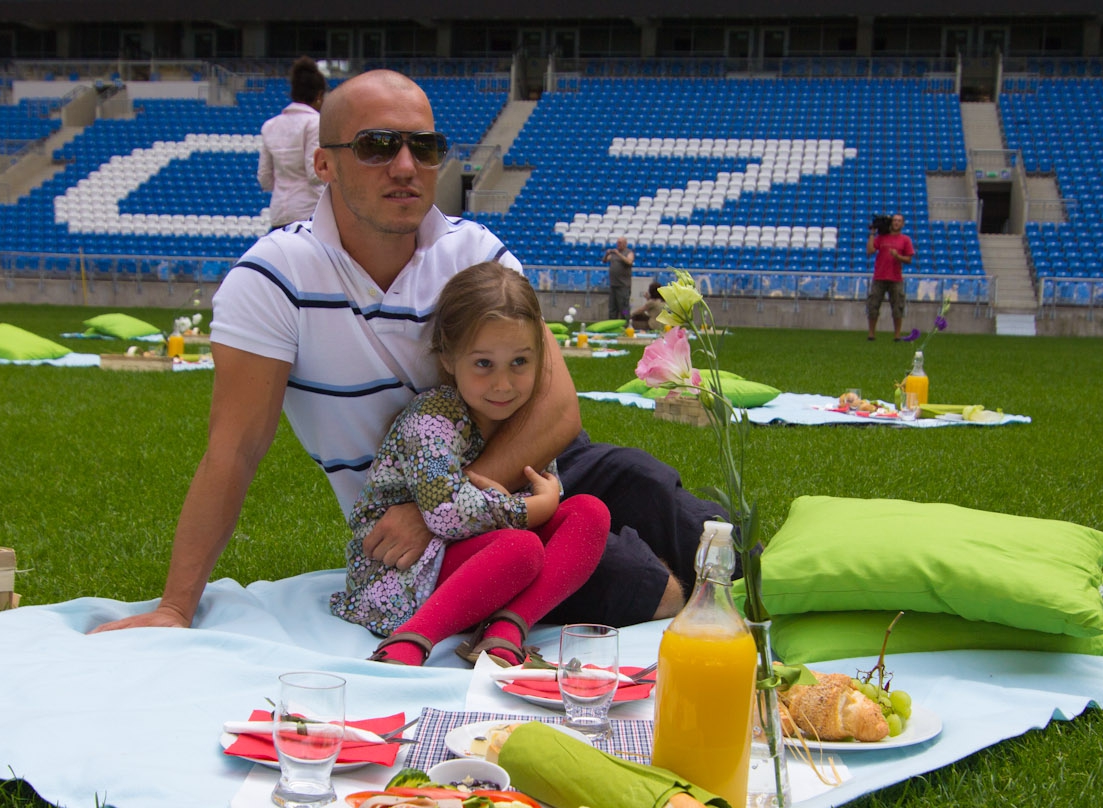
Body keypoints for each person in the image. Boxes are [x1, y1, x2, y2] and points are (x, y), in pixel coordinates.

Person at [91, 70, 725, 640]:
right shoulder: (274, 277)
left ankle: (773, 584)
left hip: (528, 458)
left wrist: (440, 511)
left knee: (662, 495)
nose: (405, 165)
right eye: (376, 145)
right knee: (652, 588)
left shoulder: (473, 249)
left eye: (423, 147)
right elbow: (234, 449)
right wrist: (176, 607)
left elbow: (558, 410)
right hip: (419, 511)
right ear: (324, 164)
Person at [332, 262, 610, 667]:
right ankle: (410, 641)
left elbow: (536, 485)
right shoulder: (431, 418)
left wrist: (546, 499)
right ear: (448, 356)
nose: (503, 384)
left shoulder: (524, 418)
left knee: (590, 513)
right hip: (402, 572)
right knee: (522, 547)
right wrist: (531, 508)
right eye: (483, 364)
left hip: (482, 556)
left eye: (520, 362)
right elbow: (446, 514)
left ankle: (506, 630)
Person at [256, 56, 327, 231]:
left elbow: (264, 179)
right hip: (308, 214)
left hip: (279, 214)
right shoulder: (314, 123)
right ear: (319, 96)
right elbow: (314, 174)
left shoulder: (270, 126)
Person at [865, 213, 914, 341]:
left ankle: (897, 335)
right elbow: (870, 250)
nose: (896, 223)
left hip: (895, 278)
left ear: (902, 224)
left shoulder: (905, 240)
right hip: (880, 276)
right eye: (894, 220)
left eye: (899, 221)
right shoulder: (882, 238)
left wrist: (898, 256)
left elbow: (909, 259)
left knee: (897, 306)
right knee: (873, 305)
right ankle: (871, 334)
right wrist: (872, 233)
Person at [602, 237, 634, 320]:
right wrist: (607, 254)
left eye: (620, 243)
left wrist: (619, 254)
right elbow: (604, 260)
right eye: (617, 243)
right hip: (613, 285)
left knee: (624, 307)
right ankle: (612, 322)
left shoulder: (628, 252)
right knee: (612, 307)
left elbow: (629, 262)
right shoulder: (614, 254)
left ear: (625, 243)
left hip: (623, 286)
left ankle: (626, 321)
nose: (618, 244)